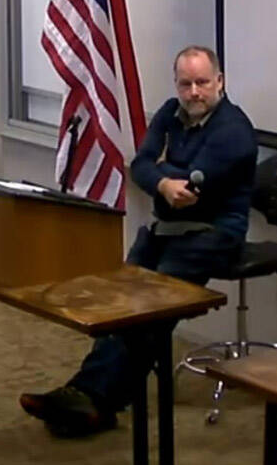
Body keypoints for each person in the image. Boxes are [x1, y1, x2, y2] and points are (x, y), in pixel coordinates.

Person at [19, 45, 258, 437]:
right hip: (166, 231)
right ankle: (95, 396)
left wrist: (161, 172)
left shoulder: (234, 130)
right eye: (186, 84)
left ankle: (91, 396)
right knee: (119, 301)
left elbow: (194, 186)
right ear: (176, 85)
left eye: (202, 83)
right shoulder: (169, 112)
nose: (194, 92)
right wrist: (163, 179)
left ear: (220, 82)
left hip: (213, 235)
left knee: (147, 310)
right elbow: (141, 165)